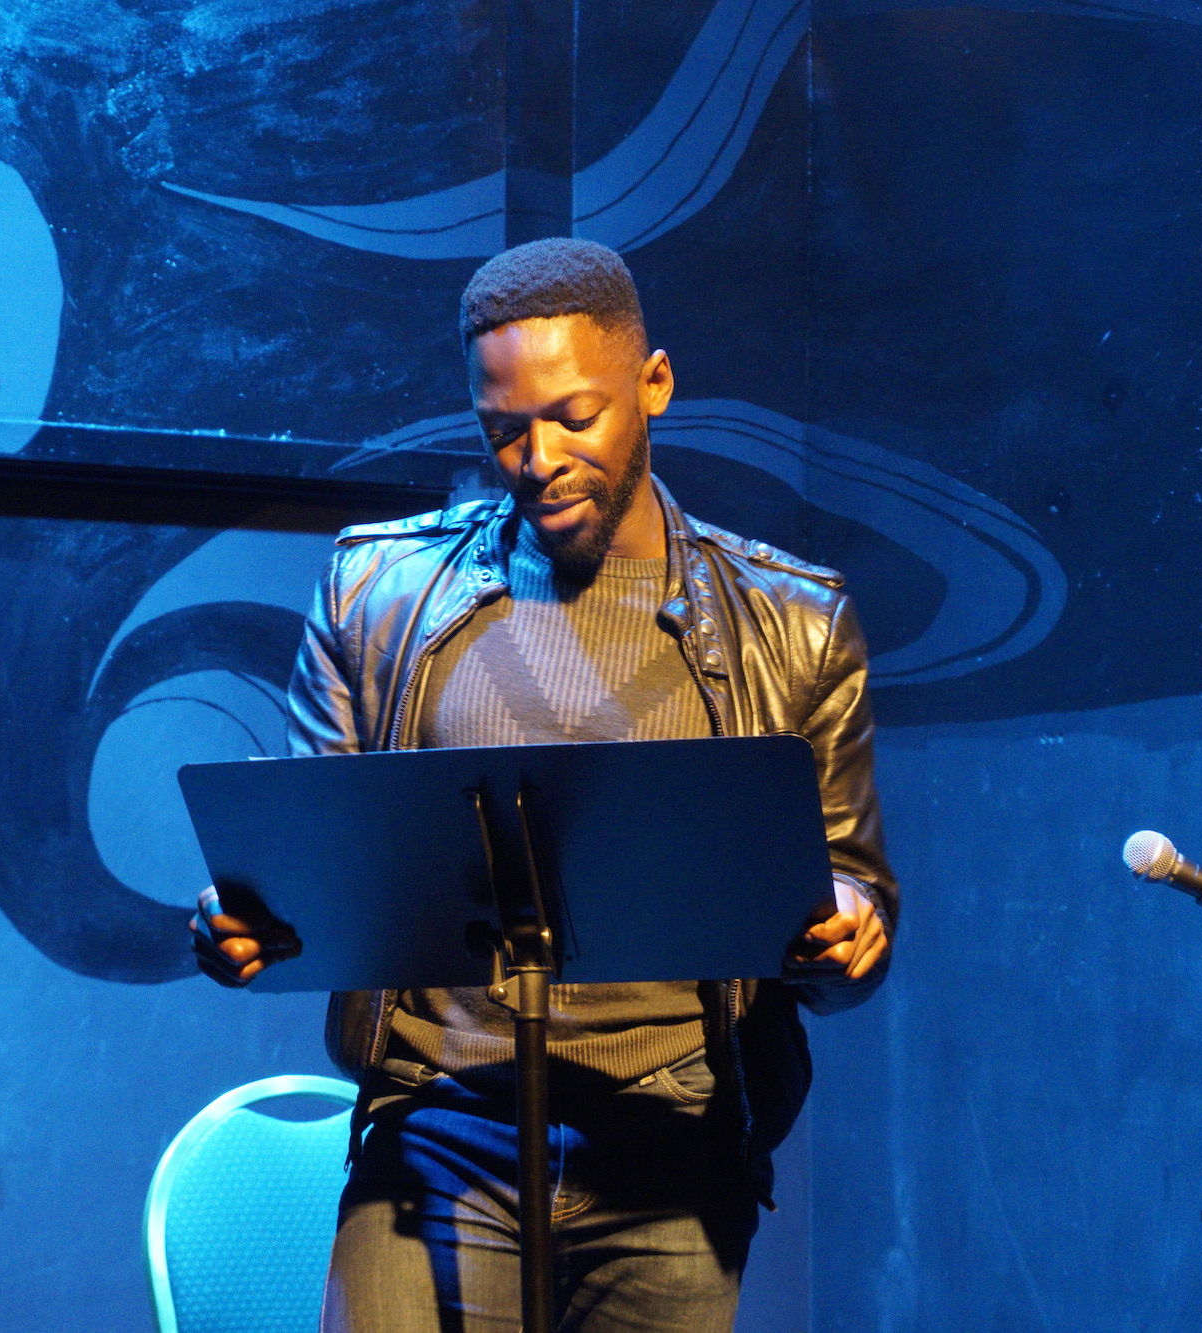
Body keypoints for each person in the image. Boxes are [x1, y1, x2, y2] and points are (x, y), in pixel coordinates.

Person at [190, 237, 897, 1333]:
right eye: (504, 430)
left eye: (575, 416)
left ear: (652, 385)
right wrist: (244, 924)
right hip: (437, 1137)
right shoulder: (375, 592)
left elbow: (847, 904)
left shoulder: (797, 625)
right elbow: (305, 859)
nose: (539, 458)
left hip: (667, 1154)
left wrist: (848, 935)